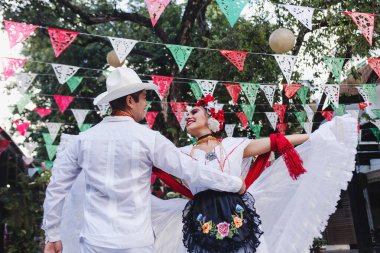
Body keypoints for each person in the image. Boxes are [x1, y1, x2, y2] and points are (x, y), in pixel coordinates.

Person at [42, 67, 245, 253]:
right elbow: (190, 170)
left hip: (95, 241)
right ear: (130, 101)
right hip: (135, 243)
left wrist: (52, 235)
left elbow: (57, 188)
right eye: (144, 97)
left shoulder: (82, 141)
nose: (147, 104)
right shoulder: (148, 138)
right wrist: (234, 183)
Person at [151, 95, 358, 253]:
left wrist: (316, 136)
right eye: (188, 113)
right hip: (201, 216)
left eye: (194, 112)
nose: (188, 116)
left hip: (236, 213)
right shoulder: (181, 154)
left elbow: (277, 141)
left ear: (209, 116)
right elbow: (150, 159)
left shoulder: (232, 145)